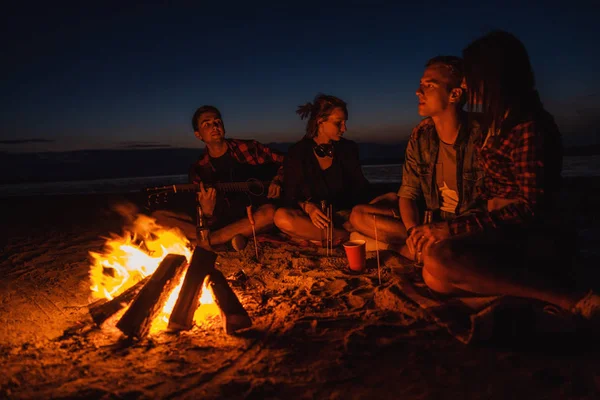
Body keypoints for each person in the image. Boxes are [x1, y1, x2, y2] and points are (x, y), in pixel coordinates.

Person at [409, 31, 599, 325]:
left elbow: (531, 207)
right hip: (497, 228)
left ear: (492, 75)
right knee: (434, 277)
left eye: (471, 74)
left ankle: (567, 298)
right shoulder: (498, 121)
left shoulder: (528, 125)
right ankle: (511, 293)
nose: (466, 83)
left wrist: (452, 229)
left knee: (440, 259)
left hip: (528, 235)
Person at [349, 56, 484, 254]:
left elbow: (491, 206)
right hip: (430, 220)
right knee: (358, 215)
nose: (418, 91)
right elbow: (408, 193)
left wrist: (445, 231)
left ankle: (405, 250)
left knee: (444, 257)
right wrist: (414, 232)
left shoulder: (482, 136)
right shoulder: (421, 136)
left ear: (454, 94)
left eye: (429, 85)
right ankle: (415, 248)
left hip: (465, 229)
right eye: (421, 84)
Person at [153, 105, 284, 250]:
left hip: (257, 214)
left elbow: (288, 161)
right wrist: (207, 212)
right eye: (207, 124)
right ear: (198, 135)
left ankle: (207, 242)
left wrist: (278, 179)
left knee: (270, 213)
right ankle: (226, 240)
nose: (214, 126)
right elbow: (206, 219)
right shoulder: (199, 170)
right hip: (226, 222)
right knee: (159, 217)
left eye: (217, 121)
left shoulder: (247, 148)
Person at [274, 94, 371, 245]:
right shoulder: (297, 153)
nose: (344, 128)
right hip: (313, 220)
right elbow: (289, 196)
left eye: (345, 123)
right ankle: (344, 236)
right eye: (338, 123)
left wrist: (353, 214)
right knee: (281, 217)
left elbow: (360, 188)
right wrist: (308, 208)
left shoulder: (349, 149)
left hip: (345, 217)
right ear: (320, 121)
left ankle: (324, 237)